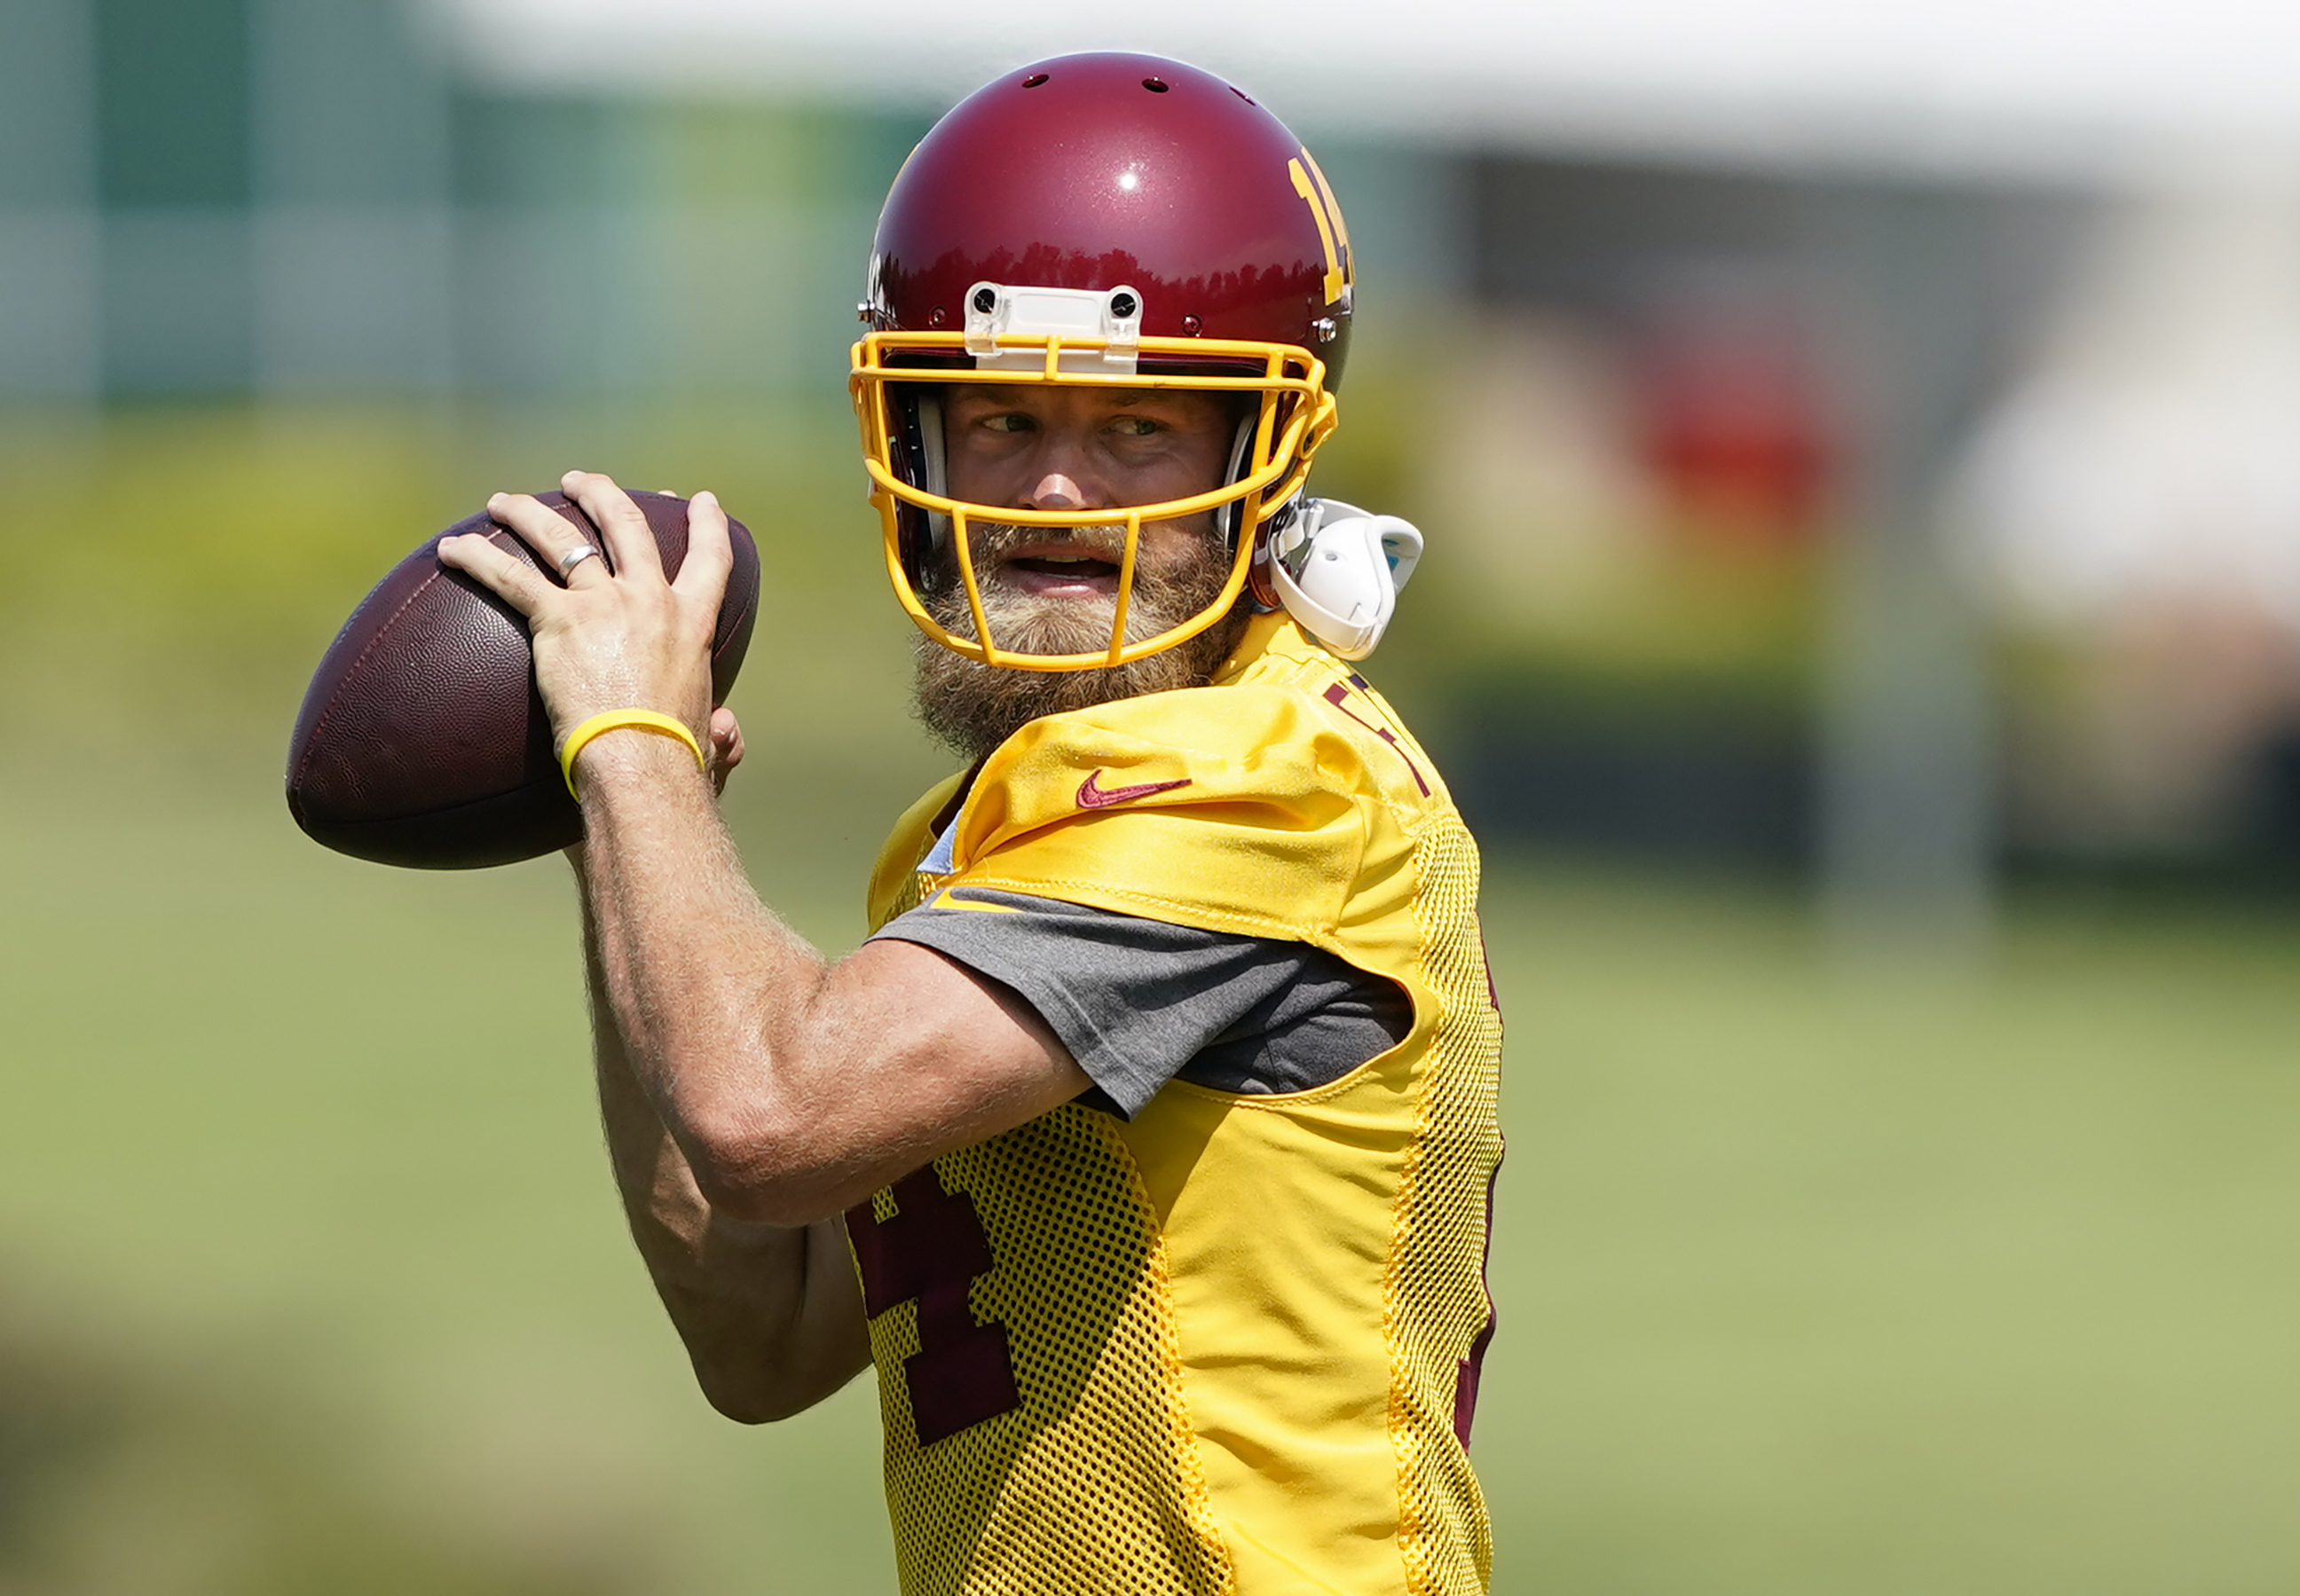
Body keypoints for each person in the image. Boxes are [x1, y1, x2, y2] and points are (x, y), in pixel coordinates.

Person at [437, 51, 1501, 1596]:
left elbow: (765, 1117)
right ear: (917, 447)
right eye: (1001, 419)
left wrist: (636, 747)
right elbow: (765, 1333)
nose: (1057, 491)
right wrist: (620, 830)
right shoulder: (984, 828)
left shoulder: (1264, 782)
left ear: (1255, 463)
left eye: (1136, 431)